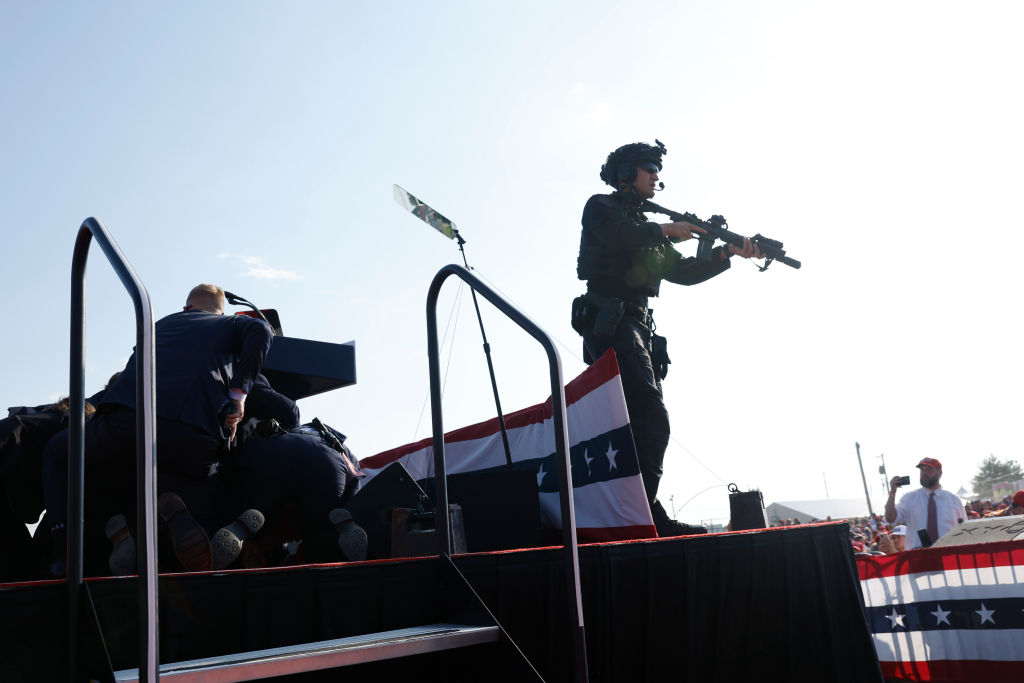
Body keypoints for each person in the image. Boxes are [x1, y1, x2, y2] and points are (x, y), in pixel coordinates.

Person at [571, 139, 762, 537]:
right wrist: (666, 229)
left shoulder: (647, 229)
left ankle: (643, 509)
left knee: (642, 423)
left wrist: (728, 252)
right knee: (651, 418)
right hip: (611, 322)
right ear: (626, 175)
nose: (657, 176)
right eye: (648, 168)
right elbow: (624, 236)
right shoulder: (602, 208)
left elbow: (685, 273)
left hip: (636, 326)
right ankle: (638, 514)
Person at [42, 284, 275, 574]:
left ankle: (64, 553)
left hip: (130, 422)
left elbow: (128, 372)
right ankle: (192, 546)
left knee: (58, 451)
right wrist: (238, 396)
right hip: (196, 434)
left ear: (187, 307)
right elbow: (262, 331)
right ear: (221, 310)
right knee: (197, 509)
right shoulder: (231, 323)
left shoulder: (159, 326)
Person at [885, 457, 964, 549]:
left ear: (940, 473)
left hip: (947, 554)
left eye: (928, 470)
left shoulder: (953, 500)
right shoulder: (909, 499)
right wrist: (892, 493)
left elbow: (963, 529)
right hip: (918, 556)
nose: (924, 473)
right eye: (922, 470)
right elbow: (890, 518)